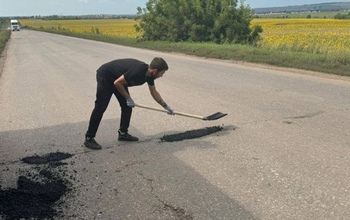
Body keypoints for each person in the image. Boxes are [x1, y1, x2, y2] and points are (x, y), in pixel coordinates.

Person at [84, 57, 173, 150]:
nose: (162, 76)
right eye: (162, 73)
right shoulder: (138, 71)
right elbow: (117, 83)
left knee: (127, 107)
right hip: (106, 76)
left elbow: (154, 92)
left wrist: (166, 107)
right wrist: (128, 99)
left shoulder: (149, 76)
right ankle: (89, 138)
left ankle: (123, 133)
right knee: (101, 107)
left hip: (118, 81)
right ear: (155, 71)